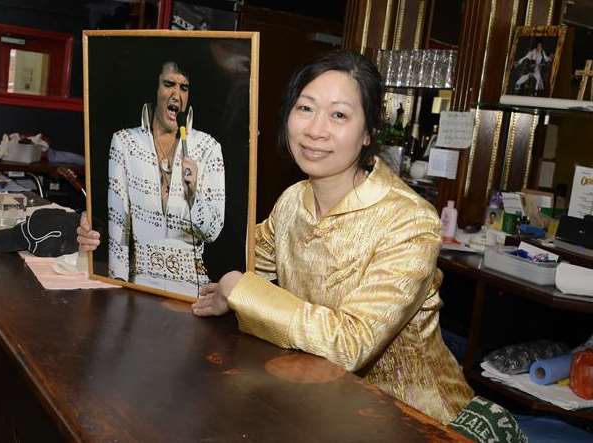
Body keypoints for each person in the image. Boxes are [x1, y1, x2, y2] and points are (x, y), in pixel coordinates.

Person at [78, 51, 473, 424]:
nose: (316, 130)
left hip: (413, 418)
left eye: (339, 115)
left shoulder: (410, 221)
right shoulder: (294, 200)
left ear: (369, 132)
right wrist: (103, 244)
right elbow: (237, 258)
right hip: (318, 400)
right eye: (305, 108)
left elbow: (351, 344)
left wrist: (240, 289)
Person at [104, 60, 225, 297]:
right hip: (141, 288)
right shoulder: (125, 142)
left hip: (193, 292)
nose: (176, 94)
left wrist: (193, 196)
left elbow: (212, 232)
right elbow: (118, 226)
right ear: (154, 88)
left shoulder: (208, 148)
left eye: (184, 87)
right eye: (169, 84)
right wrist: (116, 289)